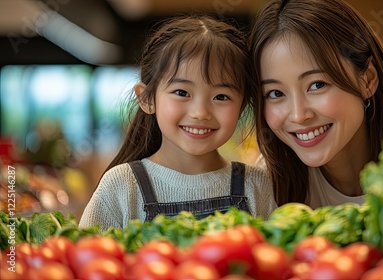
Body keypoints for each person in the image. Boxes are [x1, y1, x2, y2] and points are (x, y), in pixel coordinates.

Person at [79, 14, 277, 231]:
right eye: (182, 92)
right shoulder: (121, 186)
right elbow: (87, 261)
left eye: (221, 97)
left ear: (241, 106)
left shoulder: (256, 185)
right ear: (146, 99)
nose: (200, 113)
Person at [249, 0, 383, 207]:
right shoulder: (268, 184)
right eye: (276, 93)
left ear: (368, 79)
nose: (299, 115)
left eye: (317, 85)